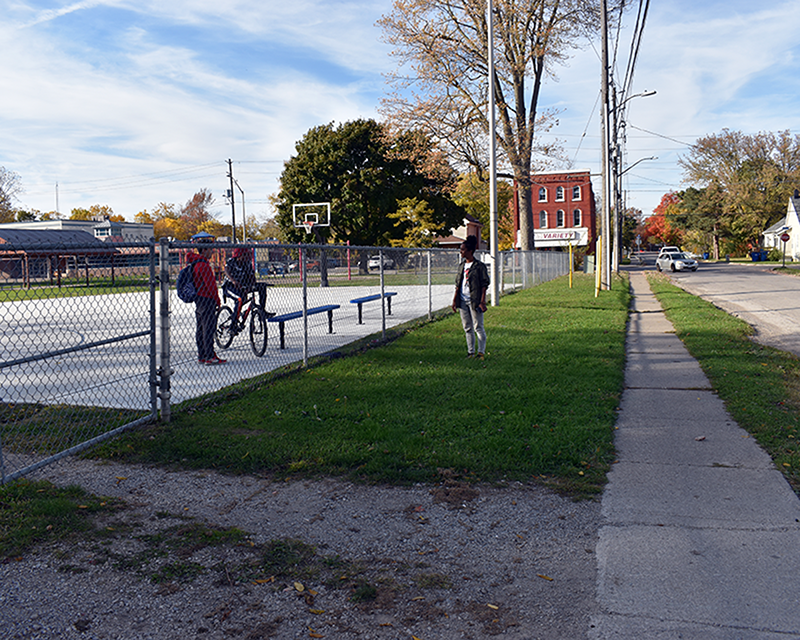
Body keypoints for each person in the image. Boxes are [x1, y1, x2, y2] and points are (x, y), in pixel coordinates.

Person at [187, 236, 226, 365]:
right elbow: (211, 286)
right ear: (204, 250)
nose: (212, 252)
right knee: (208, 328)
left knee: (200, 328)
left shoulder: (195, 263)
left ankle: (202, 354)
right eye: (210, 249)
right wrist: (217, 300)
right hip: (207, 299)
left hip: (199, 299)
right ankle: (210, 356)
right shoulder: (204, 265)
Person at [451, 235, 490, 359]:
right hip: (462, 301)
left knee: (478, 327)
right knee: (467, 327)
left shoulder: (479, 266)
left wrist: (482, 301)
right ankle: (471, 352)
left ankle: (481, 352)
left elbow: (484, 284)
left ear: (470, 251)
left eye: (463, 249)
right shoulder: (462, 265)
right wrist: (454, 300)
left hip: (475, 301)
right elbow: (458, 284)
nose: (461, 252)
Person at [223, 247, 270, 325]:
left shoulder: (247, 263)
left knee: (262, 287)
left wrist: (253, 284)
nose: (247, 257)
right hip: (229, 287)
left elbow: (251, 276)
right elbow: (226, 271)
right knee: (239, 299)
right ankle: (233, 324)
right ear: (239, 255)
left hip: (243, 285)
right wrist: (233, 281)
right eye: (245, 255)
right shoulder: (232, 261)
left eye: (248, 254)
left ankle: (262, 311)